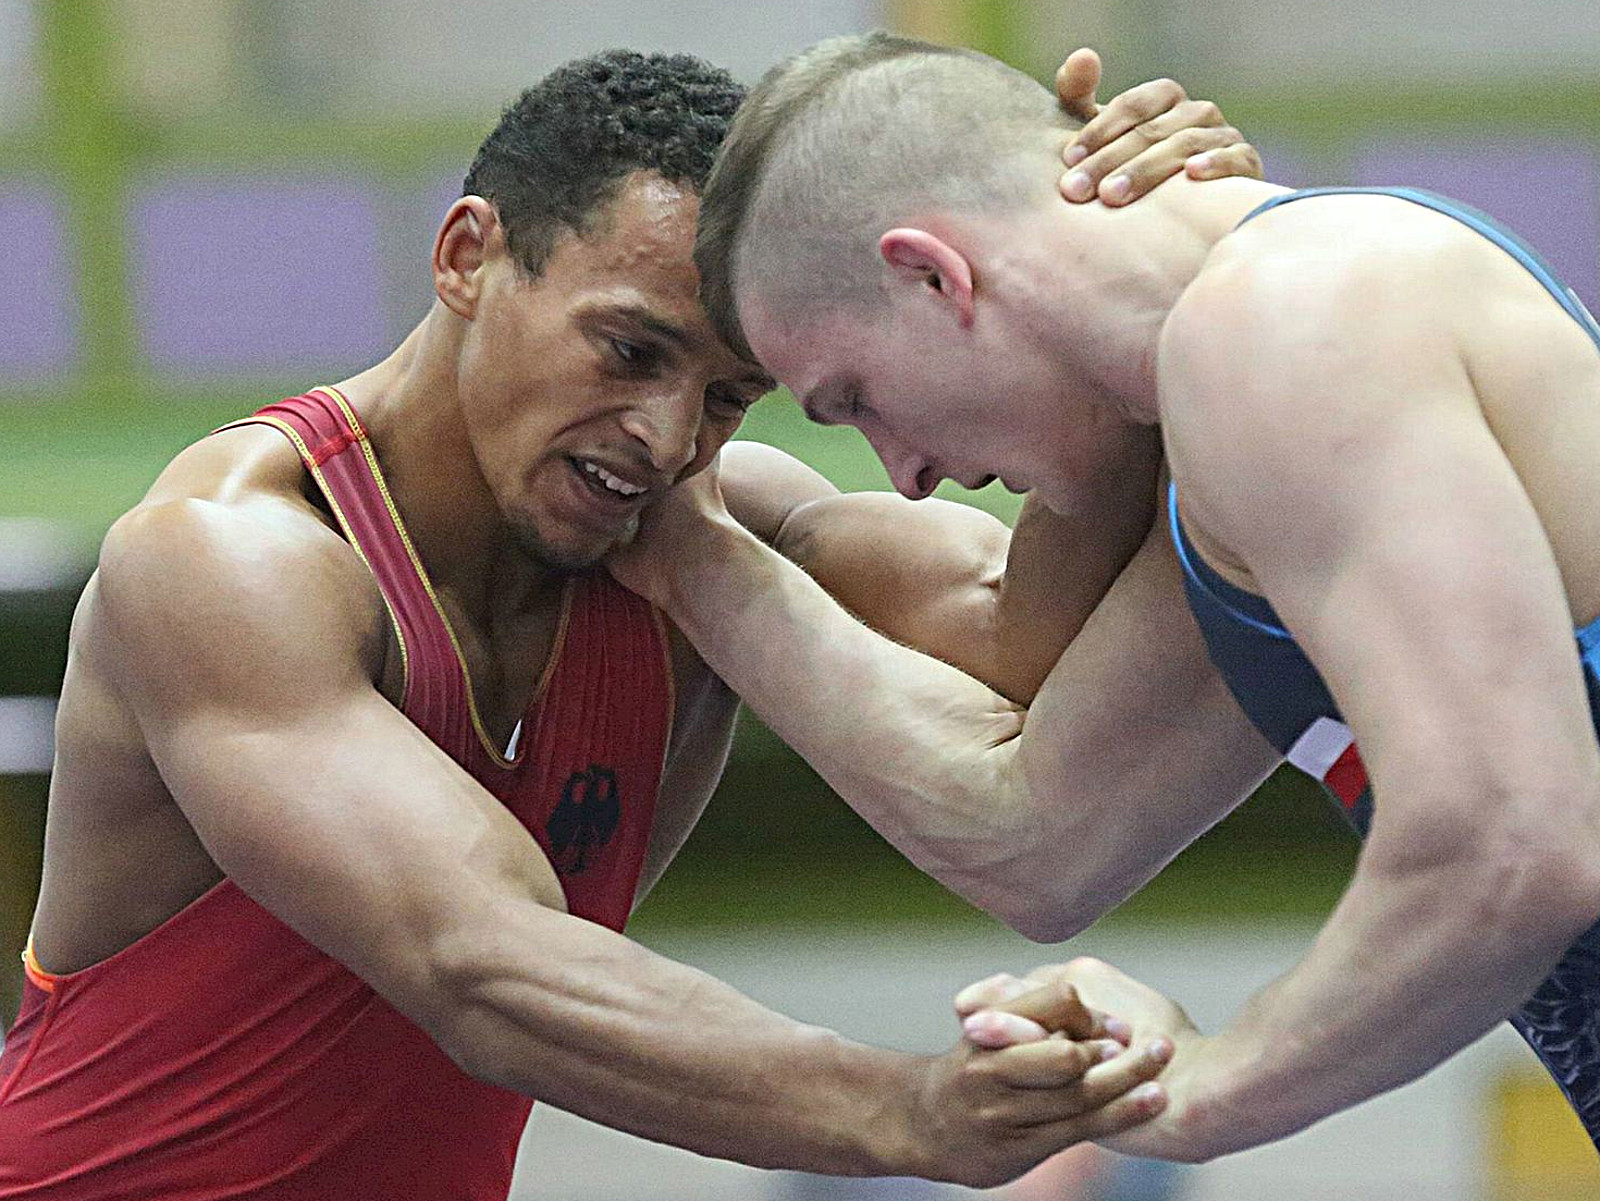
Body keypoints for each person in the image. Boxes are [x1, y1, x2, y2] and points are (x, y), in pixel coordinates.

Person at [0, 47, 1263, 1197]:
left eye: (725, 396)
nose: (663, 438)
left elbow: (1026, 647)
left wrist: (1159, 273)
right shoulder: (230, 557)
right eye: (627, 351)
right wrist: (906, 1111)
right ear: (466, 257)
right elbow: (479, 963)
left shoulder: (697, 534)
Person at [619, 31, 1600, 1160]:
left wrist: (1204, 1085)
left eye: (856, 398)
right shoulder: (1241, 415)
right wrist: (694, 538)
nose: (906, 470)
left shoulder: (1286, 320)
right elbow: (1042, 842)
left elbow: (1509, 844)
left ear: (933, 275)